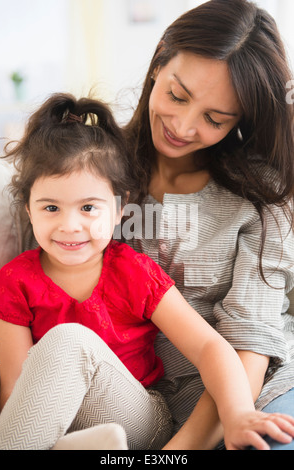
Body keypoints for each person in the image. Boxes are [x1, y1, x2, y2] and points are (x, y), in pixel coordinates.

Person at [0, 93, 294, 451]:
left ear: (120, 208)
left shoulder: (132, 270)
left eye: (88, 207)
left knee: (68, 340)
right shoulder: (13, 281)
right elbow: (17, 394)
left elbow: (208, 346)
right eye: (51, 208)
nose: (70, 225)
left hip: (139, 418)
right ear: (28, 211)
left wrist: (238, 413)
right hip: (54, 419)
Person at [122, 0, 294, 450]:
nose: (182, 125)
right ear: (160, 60)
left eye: (214, 119)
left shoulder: (264, 192)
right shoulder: (93, 169)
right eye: (177, 96)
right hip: (142, 404)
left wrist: (182, 451)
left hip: (259, 392)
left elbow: (252, 342)